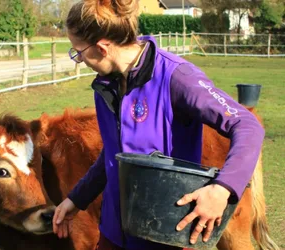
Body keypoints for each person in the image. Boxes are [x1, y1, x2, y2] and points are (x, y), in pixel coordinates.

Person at [52, 0, 265, 249]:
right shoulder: (105, 87)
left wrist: (222, 189)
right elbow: (114, 154)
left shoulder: (178, 77)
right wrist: (76, 199)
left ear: (101, 48)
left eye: (78, 51)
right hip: (113, 234)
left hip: (163, 235)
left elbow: (248, 126)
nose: (79, 59)